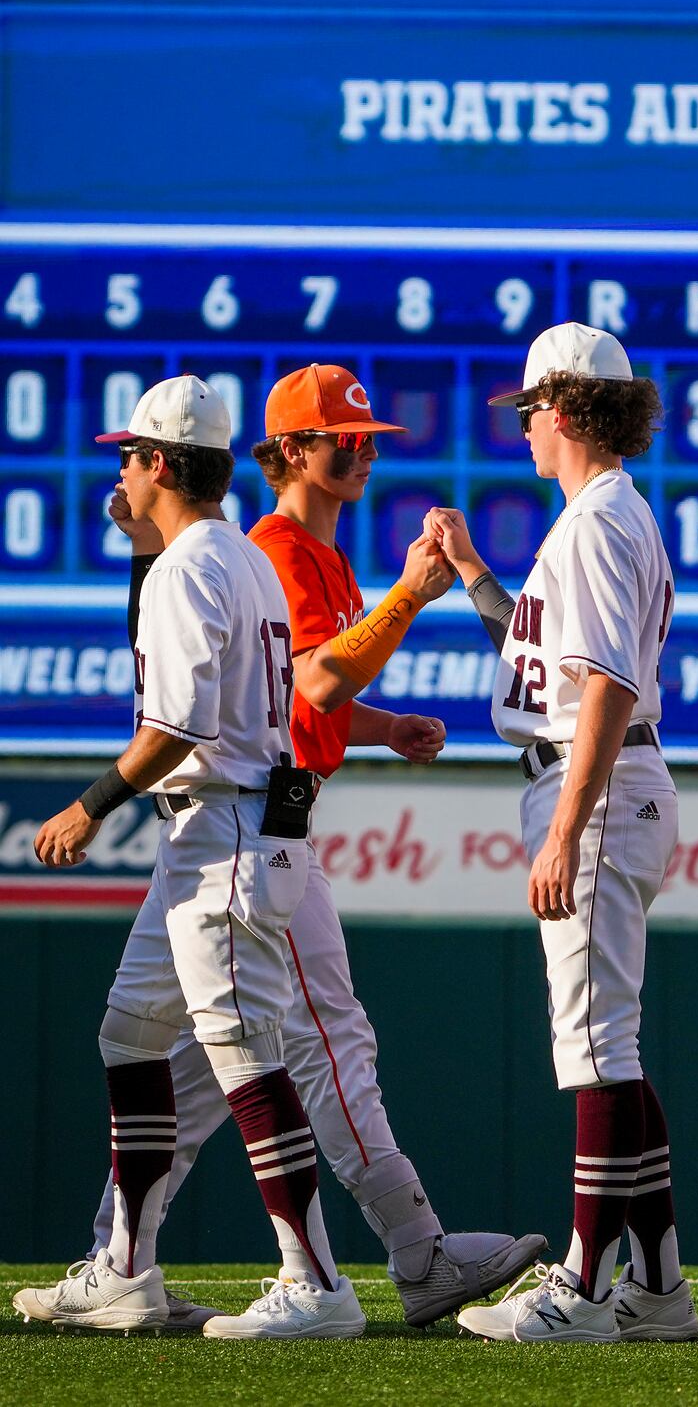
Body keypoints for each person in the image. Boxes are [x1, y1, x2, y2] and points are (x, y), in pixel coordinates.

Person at [84, 363, 545, 1329]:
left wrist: (384, 726)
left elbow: (300, 698)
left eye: (371, 438)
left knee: (215, 1063)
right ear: (291, 449)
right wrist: (411, 598)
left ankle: (121, 1258)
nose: (364, 452)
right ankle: (396, 1252)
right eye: (347, 440)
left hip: (255, 820)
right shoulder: (273, 548)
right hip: (252, 824)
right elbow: (312, 685)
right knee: (302, 1047)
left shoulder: (285, 555)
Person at [13, 376, 362, 1338]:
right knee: (130, 1033)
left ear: (161, 463)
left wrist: (89, 805)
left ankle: (317, 1283)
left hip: (226, 830)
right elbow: (163, 664)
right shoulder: (233, 554)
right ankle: (127, 1265)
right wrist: (137, 544)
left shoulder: (194, 566)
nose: (121, 470)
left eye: (130, 455)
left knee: (245, 1054)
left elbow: (172, 723)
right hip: (226, 825)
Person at [424, 322, 698, 1344]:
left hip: (595, 788)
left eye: (533, 408)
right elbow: (555, 665)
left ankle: (583, 1288)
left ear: (571, 409)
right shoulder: (604, 516)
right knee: (610, 1044)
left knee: (594, 1046)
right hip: (612, 783)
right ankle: (657, 1285)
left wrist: (563, 832)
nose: (525, 426)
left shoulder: (594, 525)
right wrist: (473, 579)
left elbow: (611, 690)